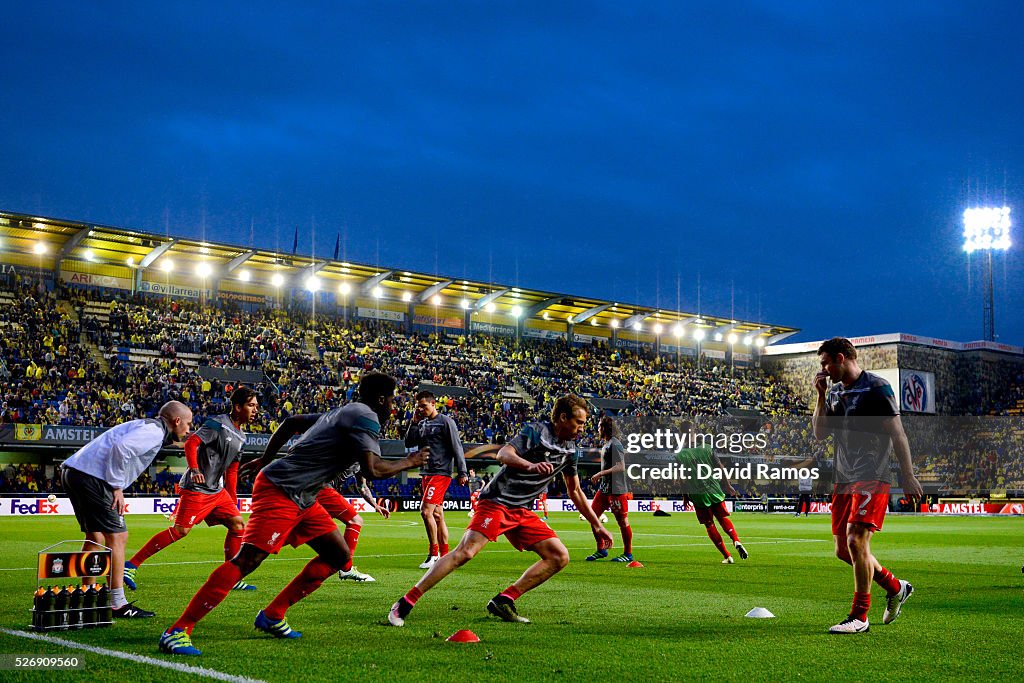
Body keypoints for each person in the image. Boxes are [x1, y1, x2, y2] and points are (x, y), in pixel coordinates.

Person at [159, 372, 426, 656]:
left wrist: (266, 458)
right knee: (248, 559)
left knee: (338, 555)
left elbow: (290, 423)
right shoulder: (366, 416)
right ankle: (178, 629)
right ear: (381, 398)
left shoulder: (340, 412)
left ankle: (273, 615)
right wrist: (410, 461)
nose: (394, 406)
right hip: (282, 488)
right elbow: (373, 469)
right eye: (393, 399)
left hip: (304, 495)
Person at [388, 394, 613, 627]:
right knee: (465, 552)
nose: (582, 429)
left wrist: (597, 525)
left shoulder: (571, 451)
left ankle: (504, 600)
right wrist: (531, 465)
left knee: (559, 556)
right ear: (563, 418)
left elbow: (575, 490)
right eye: (579, 422)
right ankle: (405, 602)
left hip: (522, 511)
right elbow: (503, 454)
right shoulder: (536, 432)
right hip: (497, 501)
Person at [813, 337, 923, 634]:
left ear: (840, 358)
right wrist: (821, 396)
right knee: (842, 551)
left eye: (825, 363)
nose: (823, 369)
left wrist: (908, 475)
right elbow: (820, 433)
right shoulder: (834, 392)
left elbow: (898, 433)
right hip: (843, 477)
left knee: (856, 541)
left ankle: (860, 616)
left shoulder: (877, 387)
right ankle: (896, 586)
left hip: (871, 473)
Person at [61, 400, 193, 619]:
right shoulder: (153, 432)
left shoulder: (147, 426)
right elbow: (120, 448)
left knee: (95, 537)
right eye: (188, 424)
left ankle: (87, 595)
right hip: (95, 478)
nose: (189, 429)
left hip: (74, 471)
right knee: (118, 537)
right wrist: (116, 486)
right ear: (176, 421)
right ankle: (117, 603)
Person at [125, 387, 259, 592]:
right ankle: (131, 565)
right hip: (196, 487)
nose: (255, 410)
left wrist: (232, 500)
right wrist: (195, 469)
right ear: (238, 407)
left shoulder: (241, 436)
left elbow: (232, 470)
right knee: (180, 531)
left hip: (216, 491)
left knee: (238, 525)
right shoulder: (217, 424)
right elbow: (192, 443)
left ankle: (230, 577)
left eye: (257, 406)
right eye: (251, 405)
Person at [404, 390, 468, 568]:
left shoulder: (445, 422)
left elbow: (457, 446)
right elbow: (408, 442)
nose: (421, 409)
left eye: (424, 406)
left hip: (441, 473)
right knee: (438, 515)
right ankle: (445, 556)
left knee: (426, 512)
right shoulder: (422, 423)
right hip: (426, 472)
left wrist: (462, 472)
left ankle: (433, 554)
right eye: (419, 407)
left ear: (433, 404)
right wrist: (414, 422)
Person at [676, 422, 748, 564]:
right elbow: (720, 467)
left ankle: (727, 556)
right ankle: (736, 540)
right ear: (694, 432)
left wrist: (685, 497)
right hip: (714, 488)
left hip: (697, 494)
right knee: (722, 518)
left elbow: (682, 479)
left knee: (709, 524)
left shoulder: (680, 455)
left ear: (681, 435)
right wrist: (728, 485)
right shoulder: (707, 448)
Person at [316, 469, 390, 582]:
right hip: (320, 487)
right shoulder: (355, 453)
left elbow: (362, 486)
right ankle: (346, 569)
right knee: (355, 520)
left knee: (297, 528)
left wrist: (375, 505)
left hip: (316, 488)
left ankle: (345, 568)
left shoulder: (362, 460)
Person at [585, 416, 635, 563]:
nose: (597, 428)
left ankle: (628, 553)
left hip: (617, 490)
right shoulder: (606, 444)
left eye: (600, 426)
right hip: (605, 489)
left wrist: (601, 473)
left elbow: (621, 466)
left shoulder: (615, 444)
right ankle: (601, 549)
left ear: (606, 428)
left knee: (623, 522)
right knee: (592, 517)